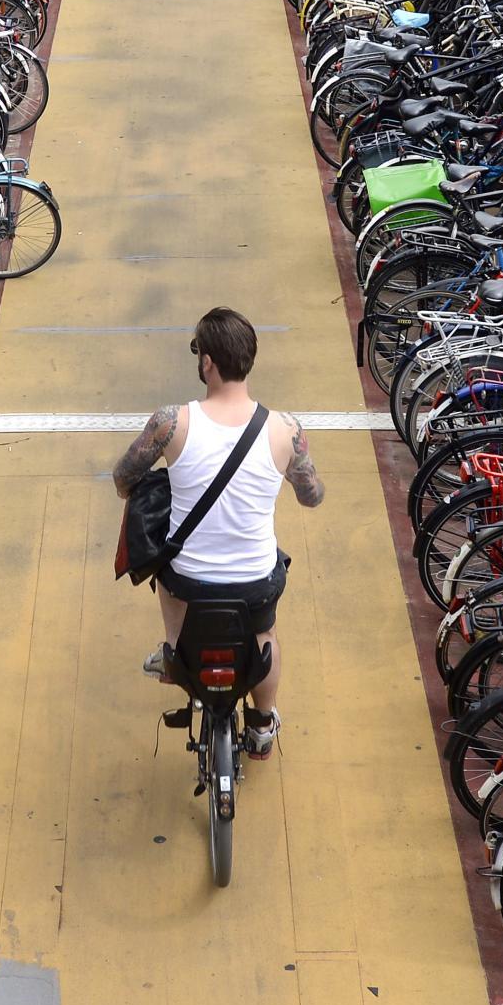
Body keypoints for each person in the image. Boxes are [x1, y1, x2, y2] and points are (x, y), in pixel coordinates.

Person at [112, 307, 326, 758]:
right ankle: (263, 723)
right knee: (264, 638)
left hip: (190, 579)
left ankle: (174, 654)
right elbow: (312, 496)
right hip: (255, 580)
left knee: (166, 576)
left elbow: (123, 479)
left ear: (207, 362)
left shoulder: (171, 422)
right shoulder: (286, 429)